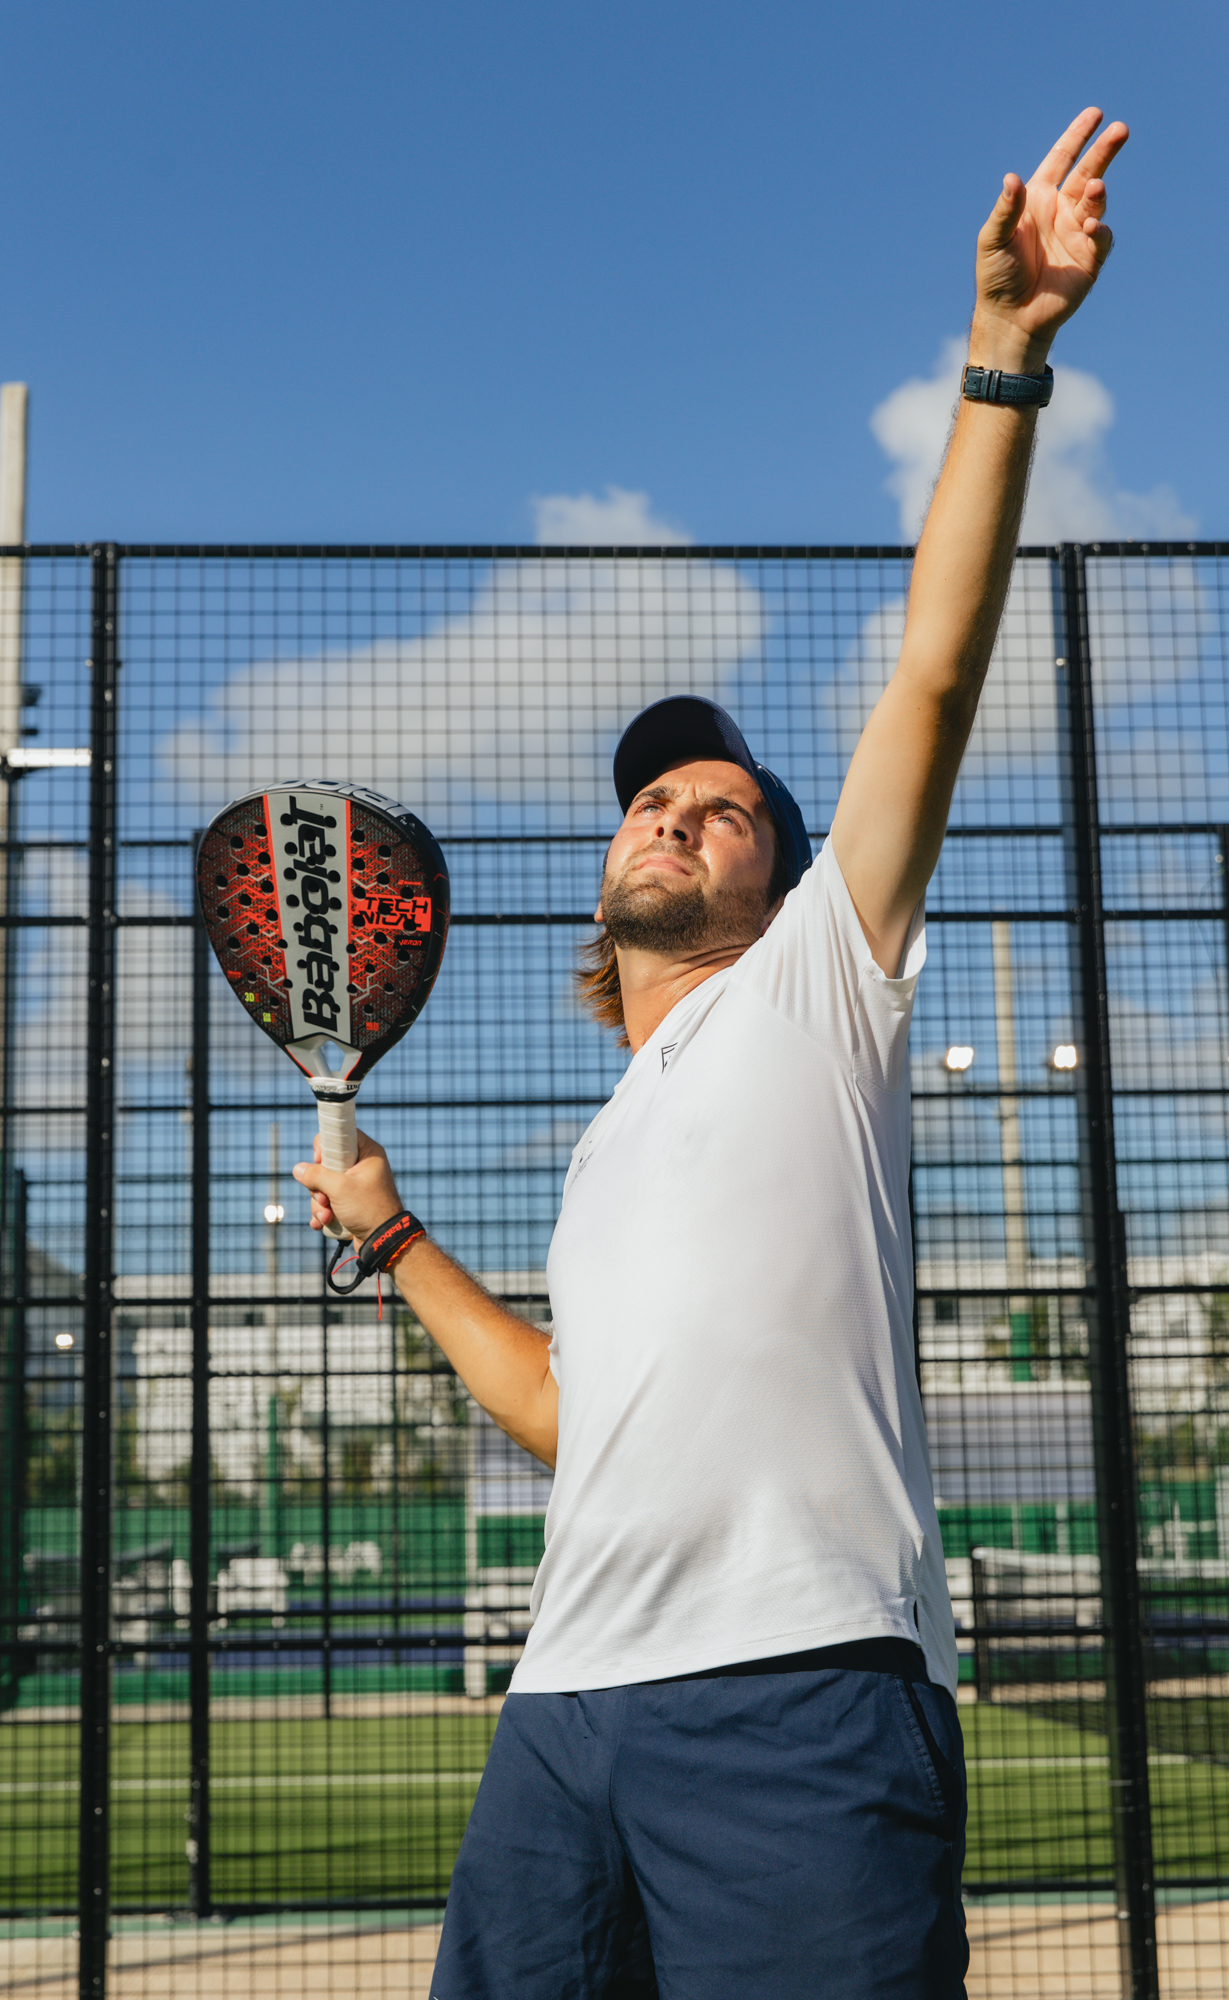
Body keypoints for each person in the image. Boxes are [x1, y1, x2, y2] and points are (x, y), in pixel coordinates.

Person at [295, 106, 1127, 2000]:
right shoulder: (604, 1146)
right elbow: (579, 1425)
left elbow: (931, 663)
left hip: (801, 1696)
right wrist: (405, 1245)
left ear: (790, 871)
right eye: (647, 800)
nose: (670, 816)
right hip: (562, 1714)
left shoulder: (825, 983)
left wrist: (1004, 352)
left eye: (720, 805)